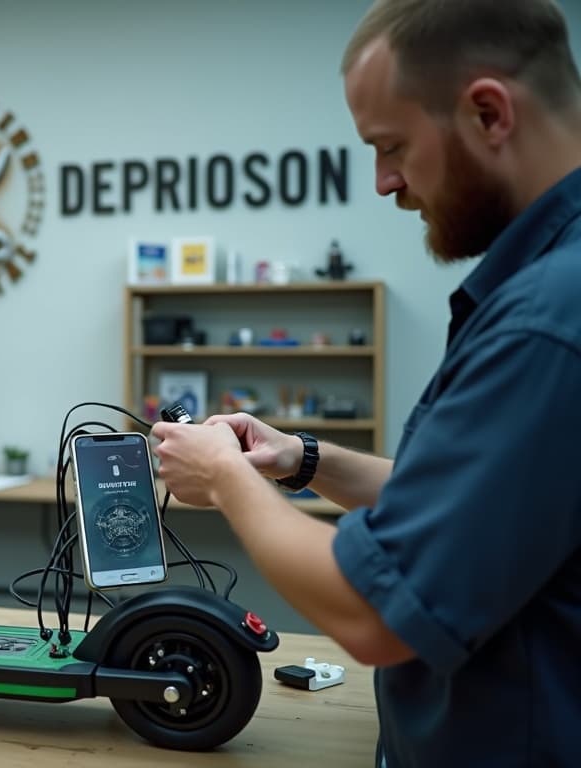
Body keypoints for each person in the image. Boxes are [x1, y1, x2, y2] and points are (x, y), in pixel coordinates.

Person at [151, 1, 581, 766]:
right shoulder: (549, 289)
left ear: (488, 113)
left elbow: (373, 615)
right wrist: (303, 460)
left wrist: (223, 480)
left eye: (392, 146)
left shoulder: (546, 319)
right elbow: (470, 511)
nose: (384, 183)